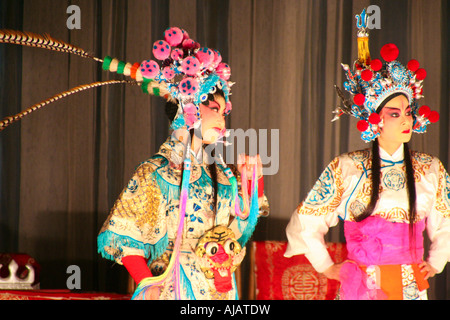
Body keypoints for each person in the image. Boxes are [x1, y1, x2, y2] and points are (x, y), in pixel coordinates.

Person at [284, 9, 449, 300]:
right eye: (395, 113)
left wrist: (435, 262)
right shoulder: (347, 167)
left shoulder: (430, 168)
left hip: (410, 286)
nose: (406, 120)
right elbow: (306, 220)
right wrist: (325, 266)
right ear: (375, 120)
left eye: (408, 113)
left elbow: (446, 221)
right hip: (362, 286)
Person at [97, 27, 269, 300]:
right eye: (214, 109)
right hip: (170, 285)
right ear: (187, 108)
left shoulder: (224, 174)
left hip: (218, 288)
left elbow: (239, 231)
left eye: (223, 111)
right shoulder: (155, 172)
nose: (222, 119)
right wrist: (146, 283)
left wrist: (253, 180)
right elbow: (125, 236)